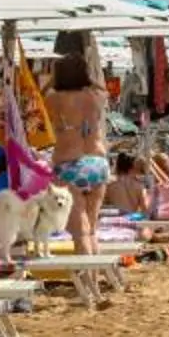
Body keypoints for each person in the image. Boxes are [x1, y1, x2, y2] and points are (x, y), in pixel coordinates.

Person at [47, 42, 112, 259]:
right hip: (98, 163)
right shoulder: (97, 96)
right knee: (91, 228)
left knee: (80, 232)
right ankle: (94, 279)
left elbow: (38, 94)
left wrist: (53, 77)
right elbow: (101, 90)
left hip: (68, 164)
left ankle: (86, 279)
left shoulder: (54, 99)